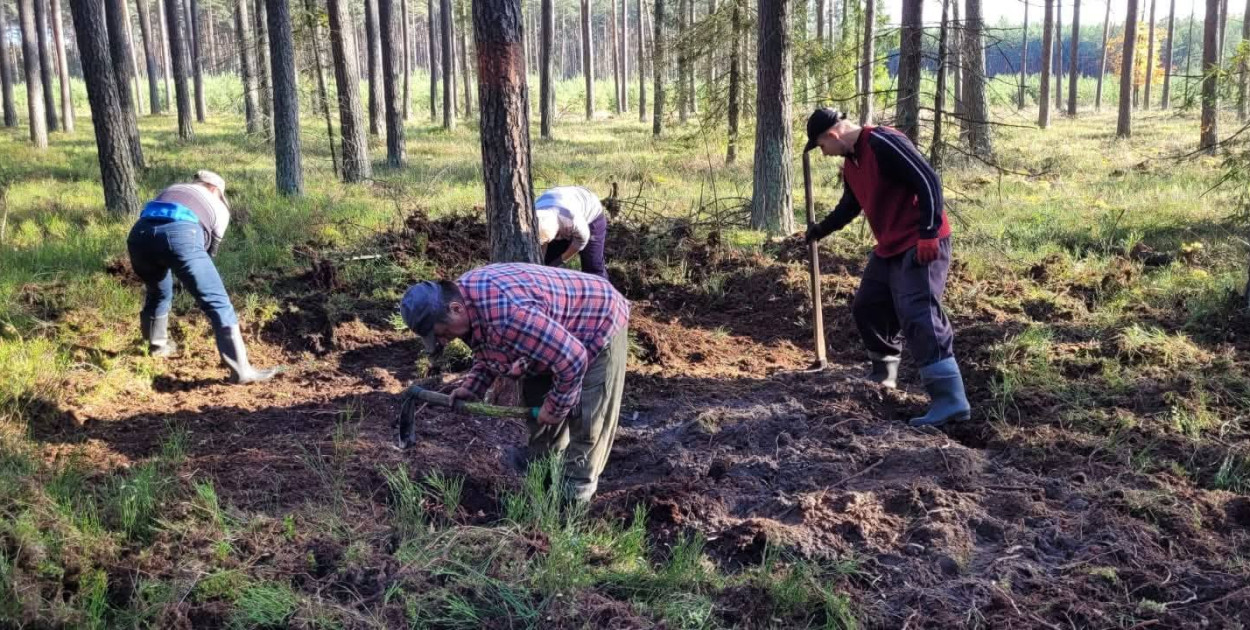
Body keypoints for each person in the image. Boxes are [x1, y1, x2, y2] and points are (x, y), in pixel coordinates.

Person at [400, 263, 630, 503]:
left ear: (456, 309)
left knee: (588, 421)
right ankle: (544, 480)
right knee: (540, 416)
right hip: (553, 336)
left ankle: (572, 501)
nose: (444, 342)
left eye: (442, 333)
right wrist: (473, 387)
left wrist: (558, 405)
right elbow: (487, 347)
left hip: (597, 322)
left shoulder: (510, 316)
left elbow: (573, 359)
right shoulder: (464, 303)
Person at [802, 108, 970, 428]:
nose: (823, 153)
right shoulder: (852, 163)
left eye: (821, 146)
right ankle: (884, 375)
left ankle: (950, 399)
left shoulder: (882, 142)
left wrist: (929, 232)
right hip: (891, 245)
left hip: (921, 240)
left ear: (832, 136)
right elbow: (851, 205)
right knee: (869, 305)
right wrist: (821, 230)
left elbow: (927, 180)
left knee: (918, 311)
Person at [127, 171, 282, 384]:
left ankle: (156, 347)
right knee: (218, 302)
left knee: (157, 292)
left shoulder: (172, 189)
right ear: (215, 189)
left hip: (139, 237)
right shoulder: (219, 206)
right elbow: (209, 252)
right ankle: (242, 372)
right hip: (183, 235)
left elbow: (157, 222)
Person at [534, 186, 611, 280]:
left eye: (556, 236)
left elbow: (581, 241)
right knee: (548, 260)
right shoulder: (533, 216)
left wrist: (561, 260)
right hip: (559, 203)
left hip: (592, 214)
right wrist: (541, 265)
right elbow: (543, 240)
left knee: (592, 266)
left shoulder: (571, 218)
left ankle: (601, 290)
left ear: (558, 230)